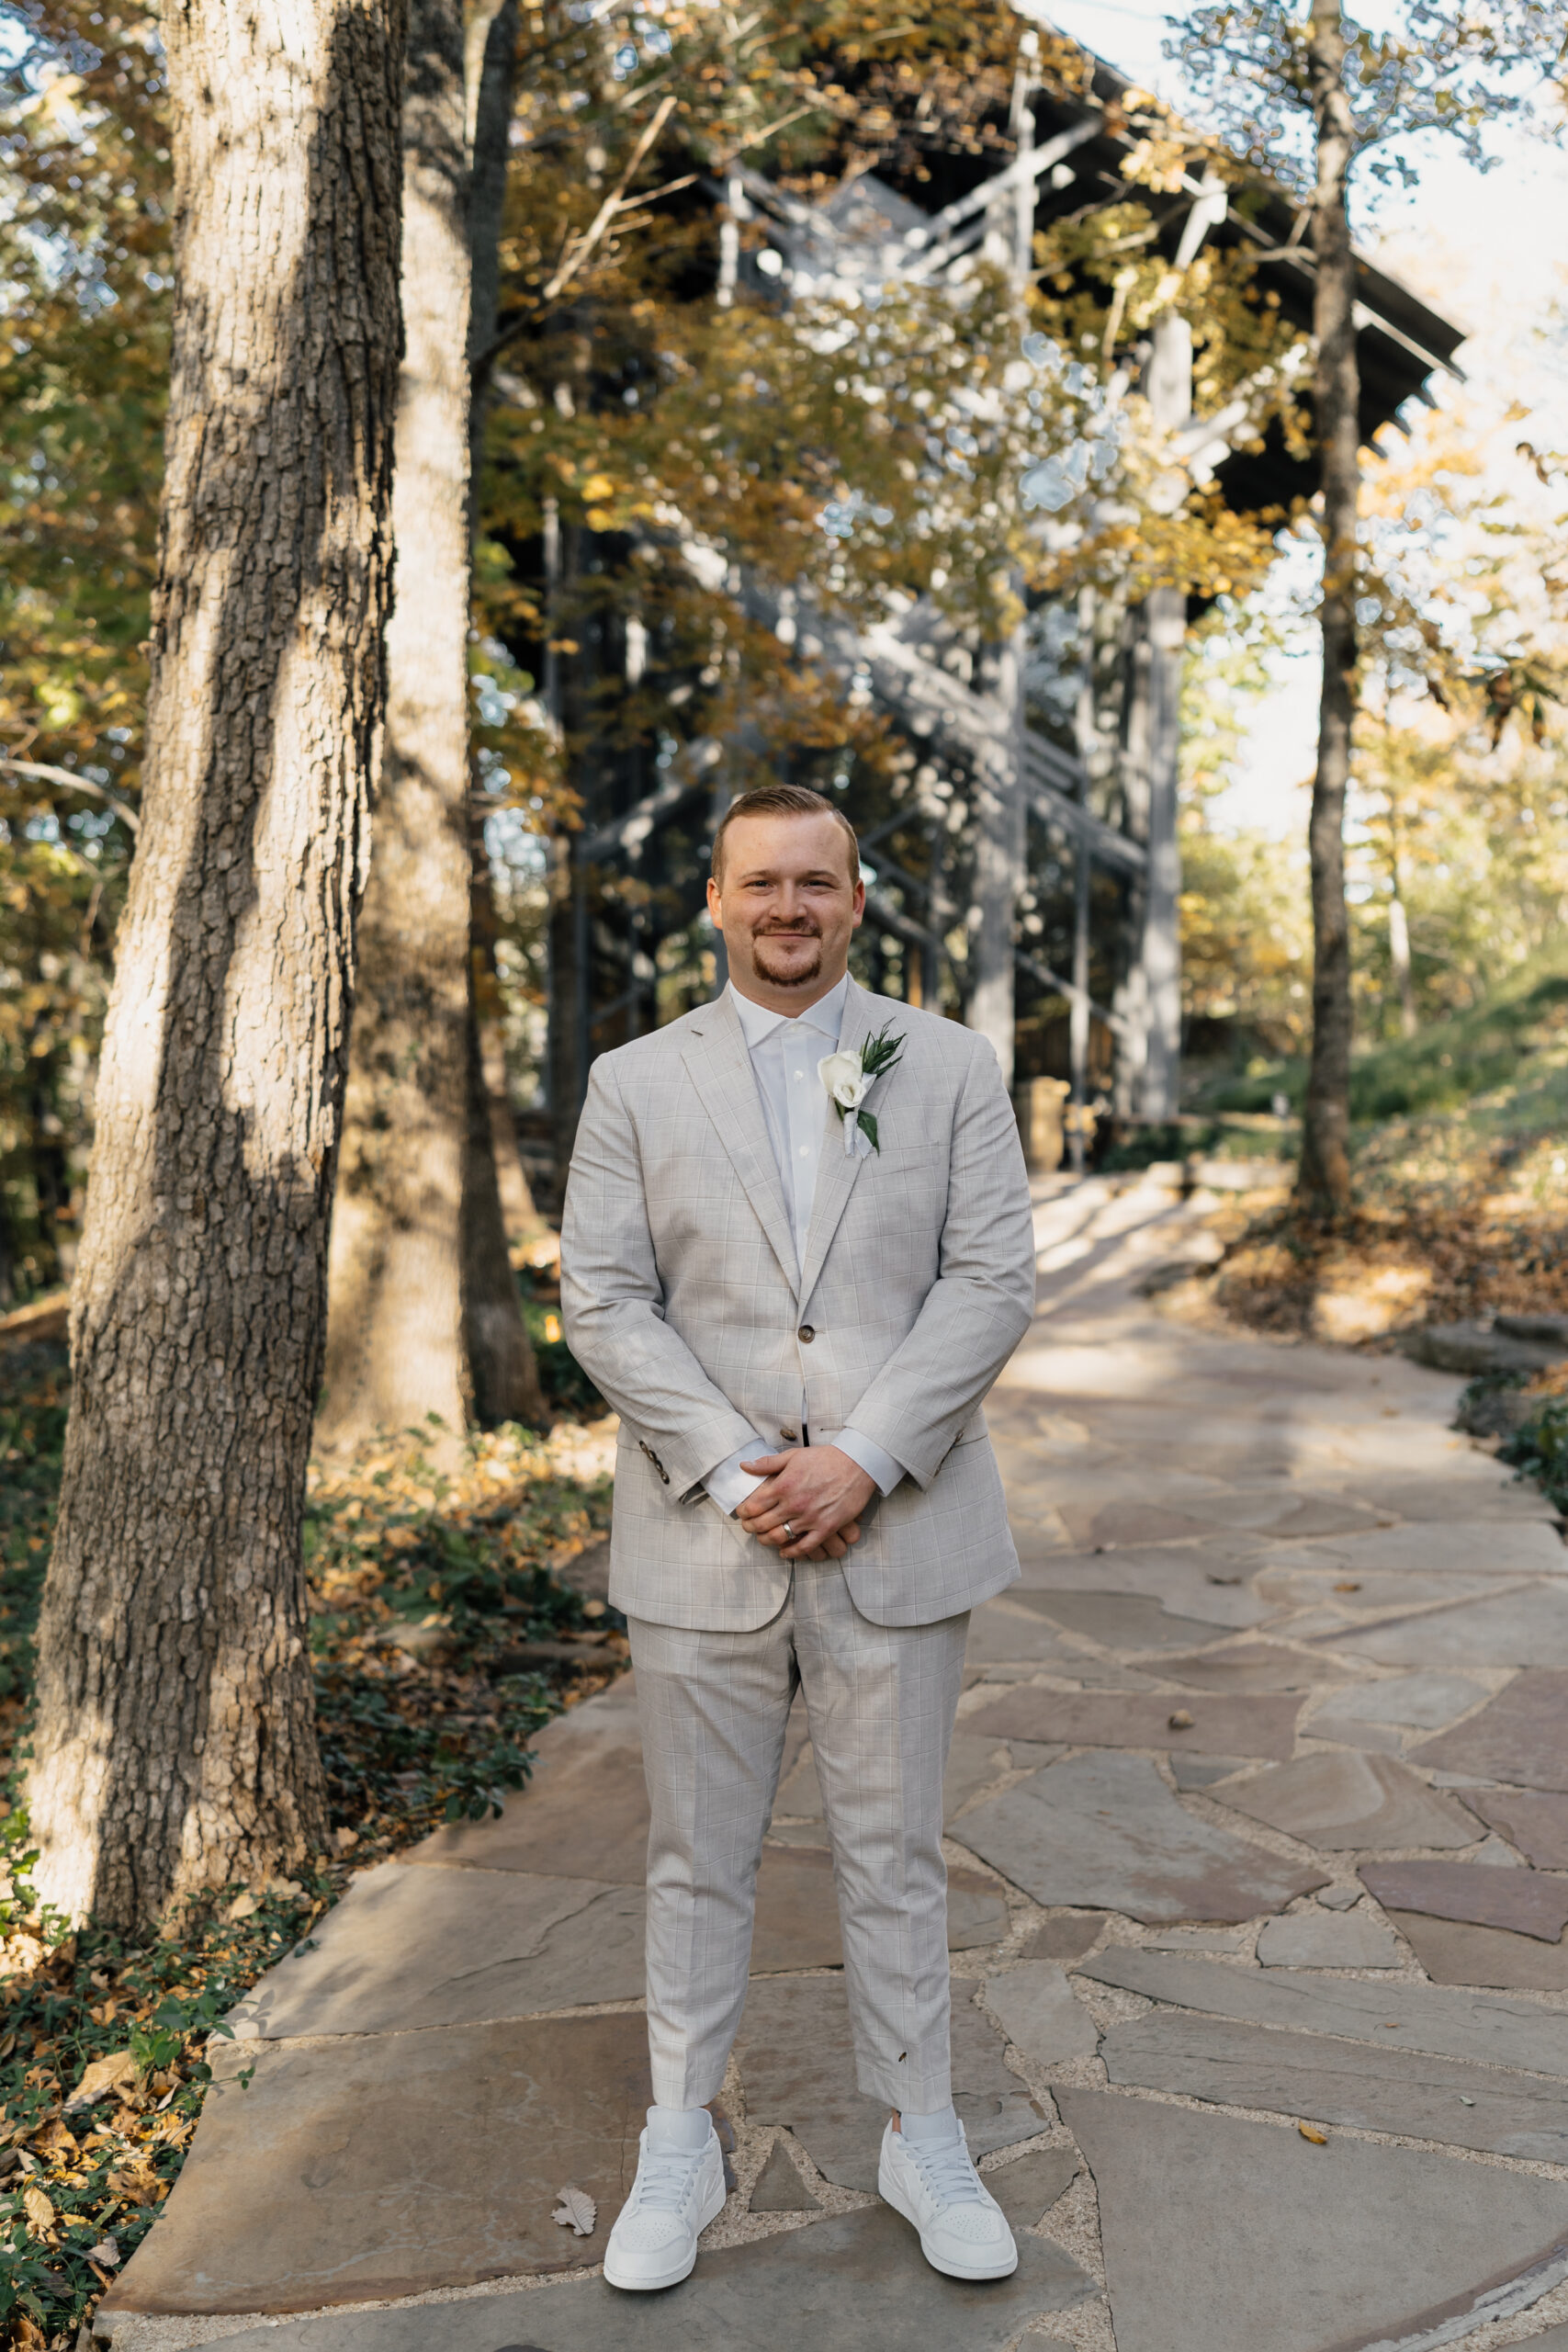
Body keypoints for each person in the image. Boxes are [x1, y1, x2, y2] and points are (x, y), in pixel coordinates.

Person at [560, 783, 1036, 2292]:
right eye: (761, 882)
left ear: (855, 895)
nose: (789, 907)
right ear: (715, 900)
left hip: (897, 1531)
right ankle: (681, 2139)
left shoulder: (949, 1066)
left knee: (894, 1855)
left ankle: (921, 2126)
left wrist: (867, 1460)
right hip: (705, 1536)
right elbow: (603, 1299)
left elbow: (989, 1281)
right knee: (698, 1857)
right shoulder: (633, 1081)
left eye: (815, 882)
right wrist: (729, 1467)